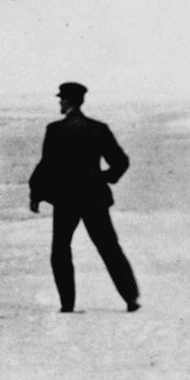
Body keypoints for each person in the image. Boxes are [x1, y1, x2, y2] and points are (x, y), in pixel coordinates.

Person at [28, 82, 139, 313]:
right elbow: (121, 161)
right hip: (94, 197)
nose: (59, 103)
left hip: (66, 199)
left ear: (68, 101)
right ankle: (130, 299)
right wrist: (104, 177)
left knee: (60, 250)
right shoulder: (99, 128)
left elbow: (46, 165)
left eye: (61, 99)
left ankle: (67, 305)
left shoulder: (55, 130)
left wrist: (36, 193)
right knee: (109, 248)